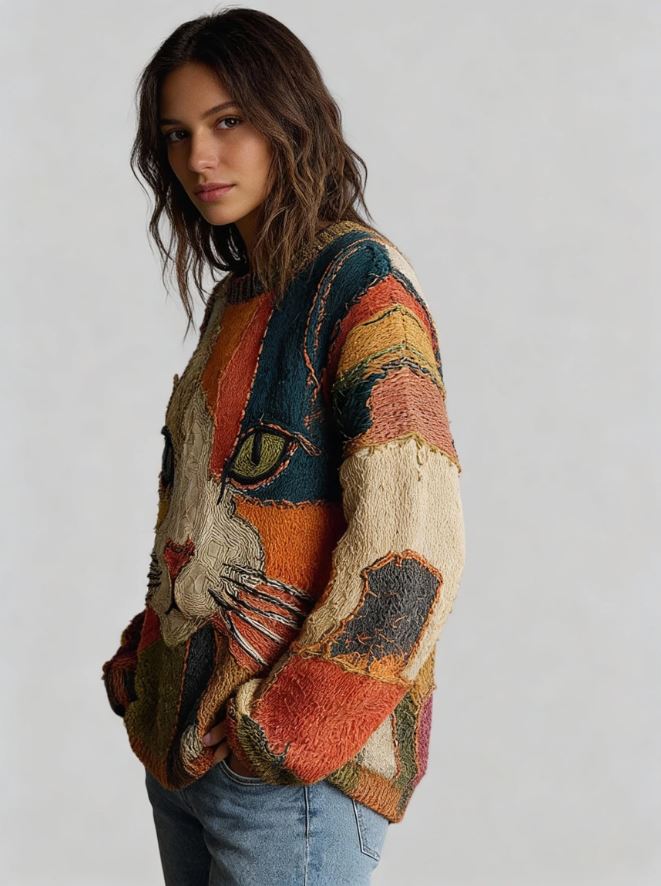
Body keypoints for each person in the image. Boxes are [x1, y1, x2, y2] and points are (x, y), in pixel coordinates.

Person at [100, 7, 466, 885]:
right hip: (188, 753)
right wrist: (145, 664)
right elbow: (201, 509)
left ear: (288, 120)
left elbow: (414, 537)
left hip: (288, 777)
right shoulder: (237, 299)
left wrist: (289, 728)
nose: (199, 157)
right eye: (177, 133)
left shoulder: (361, 283)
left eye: (227, 121)